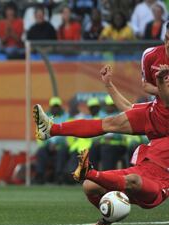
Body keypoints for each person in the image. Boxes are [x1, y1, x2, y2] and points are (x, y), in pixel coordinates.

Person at [71, 65, 169, 225]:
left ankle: (89, 172)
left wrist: (161, 79)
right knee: (89, 187)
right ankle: (106, 219)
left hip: (159, 182)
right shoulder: (156, 113)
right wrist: (109, 84)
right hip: (140, 168)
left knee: (133, 180)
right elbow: (129, 109)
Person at [33, 24, 169, 143]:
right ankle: (51, 129)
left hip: (163, 122)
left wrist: (161, 84)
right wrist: (109, 84)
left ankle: (92, 173)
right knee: (110, 123)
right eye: (167, 38)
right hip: (159, 114)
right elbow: (130, 105)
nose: (168, 44)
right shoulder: (151, 55)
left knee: (141, 169)